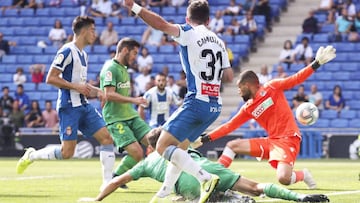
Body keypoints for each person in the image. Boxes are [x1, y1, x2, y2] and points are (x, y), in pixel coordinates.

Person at [122, 1, 234, 202]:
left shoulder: (189, 31)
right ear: (209, 20)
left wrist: (135, 7)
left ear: (187, 19)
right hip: (214, 105)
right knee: (179, 148)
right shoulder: (219, 42)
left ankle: (205, 178)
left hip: (196, 101)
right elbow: (229, 77)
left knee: (162, 147)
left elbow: (161, 25)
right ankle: (165, 190)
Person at [200, 45, 336, 189]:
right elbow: (229, 126)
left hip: (288, 138)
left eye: (240, 88)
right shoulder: (248, 107)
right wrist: (205, 138)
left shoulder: (272, 87)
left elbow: (296, 79)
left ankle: (303, 175)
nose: (239, 92)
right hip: (271, 142)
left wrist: (316, 63)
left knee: (283, 178)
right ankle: (217, 179)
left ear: (248, 85)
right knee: (232, 146)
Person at [78, 127, 329, 203]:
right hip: (209, 171)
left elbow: (116, 180)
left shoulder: (145, 164)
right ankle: (301, 199)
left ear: (150, 148)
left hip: (188, 188)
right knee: (255, 188)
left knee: (184, 199)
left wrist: (97, 199)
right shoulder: (181, 147)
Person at [16, 16, 116, 191]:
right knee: (67, 153)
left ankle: (108, 182)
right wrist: (75, 86)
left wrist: (97, 91)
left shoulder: (84, 54)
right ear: (84, 31)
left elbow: (81, 84)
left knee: (107, 138)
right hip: (69, 106)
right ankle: (32, 155)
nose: (95, 33)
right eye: (93, 30)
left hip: (84, 106)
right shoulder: (67, 51)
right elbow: (50, 78)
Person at [99, 38, 152, 184]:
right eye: (134, 53)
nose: (136, 57)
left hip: (130, 115)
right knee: (137, 153)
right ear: (124, 50)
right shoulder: (110, 68)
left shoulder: (124, 68)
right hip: (116, 118)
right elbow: (109, 94)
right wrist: (134, 100)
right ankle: (116, 178)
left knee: (156, 142)